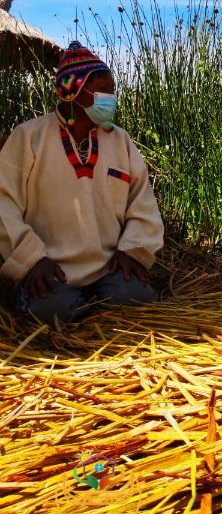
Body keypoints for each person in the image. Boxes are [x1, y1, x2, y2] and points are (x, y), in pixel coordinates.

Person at [0, 41, 164, 329]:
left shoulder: (120, 140)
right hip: (50, 268)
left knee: (136, 300)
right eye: (103, 92)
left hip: (109, 264)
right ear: (71, 93)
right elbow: (3, 202)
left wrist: (133, 250)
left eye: (112, 91)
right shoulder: (28, 137)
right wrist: (31, 260)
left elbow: (142, 200)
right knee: (54, 311)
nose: (110, 99)